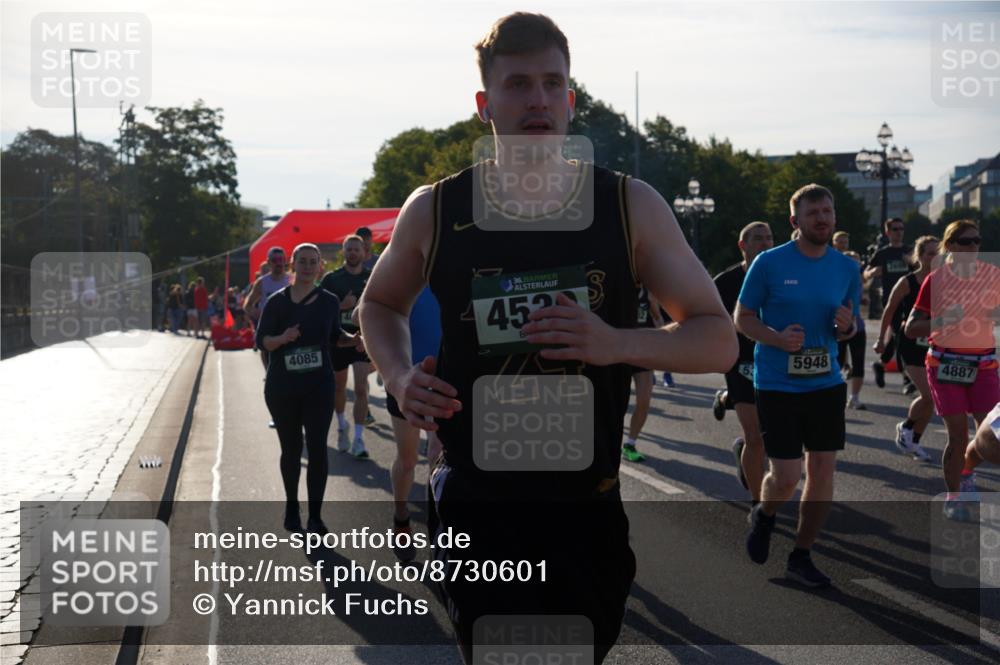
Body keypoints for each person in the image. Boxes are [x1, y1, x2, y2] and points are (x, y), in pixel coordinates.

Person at [358, 13, 737, 662]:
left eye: (552, 83)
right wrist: (398, 377)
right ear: (485, 104)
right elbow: (380, 304)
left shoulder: (628, 205)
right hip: (479, 503)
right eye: (518, 84)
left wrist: (615, 342)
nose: (537, 100)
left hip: (585, 510)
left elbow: (716, 338)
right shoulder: (439, 208)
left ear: (571, 97)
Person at [735, 183, 860, 588]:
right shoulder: (769, 264)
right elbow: (743, 317)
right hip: (777, 383)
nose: (822, 218)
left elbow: (848, 325)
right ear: (795, 221)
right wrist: (775, 337)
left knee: (823, 472)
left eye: (827, 211)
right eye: (813, 213)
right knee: (786, 476)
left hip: (826, 382)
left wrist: (848, 327)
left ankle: (801, 555)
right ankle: (766, 513)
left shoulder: (847, 268)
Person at [255, 243, 364, 534]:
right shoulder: (277, 302)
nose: (306, 266)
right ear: (292, 265)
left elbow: (334, 336)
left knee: (317, 450)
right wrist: (283, 338)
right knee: (290, 450)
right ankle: (292, 507)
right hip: (282, 387)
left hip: (318, 385)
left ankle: (315, 516)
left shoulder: (329, 301)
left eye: (312, 262)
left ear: (320, 267)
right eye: (301, 261)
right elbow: (262, 340)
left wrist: (351, 339)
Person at [904, 220, 1000, 521]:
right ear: (949, 246)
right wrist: (944, 320)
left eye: (976, 241)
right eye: (964, 241)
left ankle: (967, 470)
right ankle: (954, 495)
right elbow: (910, 329)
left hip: (983, 365)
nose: (972, 247)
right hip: (945, 366)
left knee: (989, 434)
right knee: (958, 436)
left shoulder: (991, 276)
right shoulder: (936, 280)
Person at [712, 221, 773, 501]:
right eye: (758, 238)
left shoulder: (781, 276)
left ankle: (742, 451)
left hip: (774, 360)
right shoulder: (725, 282)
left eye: (769, 238)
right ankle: (759, 503)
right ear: (743, 245)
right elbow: (710, 319)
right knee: (755, 437)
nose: (765, 243)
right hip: (740, 361)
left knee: (771, 436)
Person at [385, 285, 442, 561]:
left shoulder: (460, 270)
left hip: (445, 378)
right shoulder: (405, 272)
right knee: (408, 461)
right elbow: (368, 309)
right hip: (406, 381)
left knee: (436, 457)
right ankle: (401, 515)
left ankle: (438, 532)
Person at [877, 235, 940, 462]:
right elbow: (889, 310)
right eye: (930, 253)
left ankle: (913, 440)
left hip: (934, 344)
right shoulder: (908, 282)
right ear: (919, 256)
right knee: (929, 394)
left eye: (938, 253)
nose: (935, 257)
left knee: (933, 398)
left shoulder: (943, 281)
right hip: (910, 343)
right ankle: (907, 426)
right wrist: (882, 340)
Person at [320, 235, 374, 458]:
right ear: (343, 251)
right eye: (349, 249)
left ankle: (359, 440)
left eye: (356, 249)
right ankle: (342, 426)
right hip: (338, 339)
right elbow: (320, 311)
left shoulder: (373, 277)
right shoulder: (331, 279)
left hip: (362, 340)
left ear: (363, 252)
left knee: (361, 388)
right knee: (339, 388)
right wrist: (343, 306)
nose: (353, 253)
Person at [865, 218, 912, 389]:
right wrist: (873, 272)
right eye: (895, 229)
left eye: (901, 228)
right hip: (892, 299)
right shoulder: (883, 253)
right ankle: (907, 377)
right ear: (888, 232)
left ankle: (882, 364)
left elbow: (923, 268)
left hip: (911, 298)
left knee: (899, 336)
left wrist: (913, 262)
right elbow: (866, 273)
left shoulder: (910, 251)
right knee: (901, 335)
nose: (899, 232)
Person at [621, 285, 665, 463]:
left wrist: (662, 339)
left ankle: (630, 444)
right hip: (619, 352)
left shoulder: (648, 292)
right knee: (615, 402)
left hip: (642, 353)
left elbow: (657, 319)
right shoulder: (618, 287)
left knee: (644, 400)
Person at [245, 247, 292, 368]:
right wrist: (256, 312)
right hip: (268, 326)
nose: (279, 263)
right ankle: (268, 374)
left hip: (287, 325)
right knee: (266, 352)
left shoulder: (292, 279)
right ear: (269, 262)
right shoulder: (262, 282)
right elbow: (247, 305)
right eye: (275, 260)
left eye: (282, 259)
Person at [838, 251, 868, 410]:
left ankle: (854, 397)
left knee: (858, 363)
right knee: (837, 363)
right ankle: (836, 395)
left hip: (858, 326)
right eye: (852, 263)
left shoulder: (859, 281)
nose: (856, 267)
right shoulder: (836, 280)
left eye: (858, 264)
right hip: (838, 325)